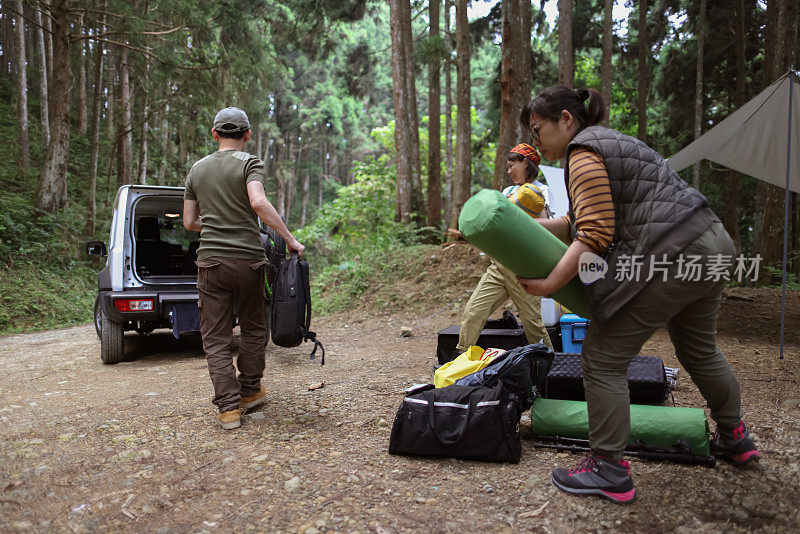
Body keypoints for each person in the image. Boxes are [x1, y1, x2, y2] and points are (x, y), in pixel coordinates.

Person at [516, 87, 759, 504]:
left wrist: (548, 284)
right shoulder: (613, 142)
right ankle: (735, 436)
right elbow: (575, 222)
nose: (536, 142)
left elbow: (594, 234)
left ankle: (609, 470)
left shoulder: (581, 152)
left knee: (602, 356)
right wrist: (515, 227)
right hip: (711, 244)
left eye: (539, 130)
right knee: (699, 350)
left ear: (567, 121)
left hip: (672, 252)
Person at [183, 107, 305, 430]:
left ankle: (228, 408)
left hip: (211, 263)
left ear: (215, 134)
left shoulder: (197, 170)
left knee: (216, 336)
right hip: (250, 261)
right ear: (247, 135)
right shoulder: (250, 162)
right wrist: (289, 239)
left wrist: (216, 222)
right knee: (253, 328)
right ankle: (250, 391)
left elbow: (189, 222)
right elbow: (258, 201)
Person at [450, 143, 555, 354]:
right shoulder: (507, 191)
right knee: (473, 312)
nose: (508, 171)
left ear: (525, 163)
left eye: (511, 165)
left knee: (532, 323)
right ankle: (460, 360)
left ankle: (550, 365)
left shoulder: (543, 190)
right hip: (498, 265)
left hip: (524, 268)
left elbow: (548, 228)